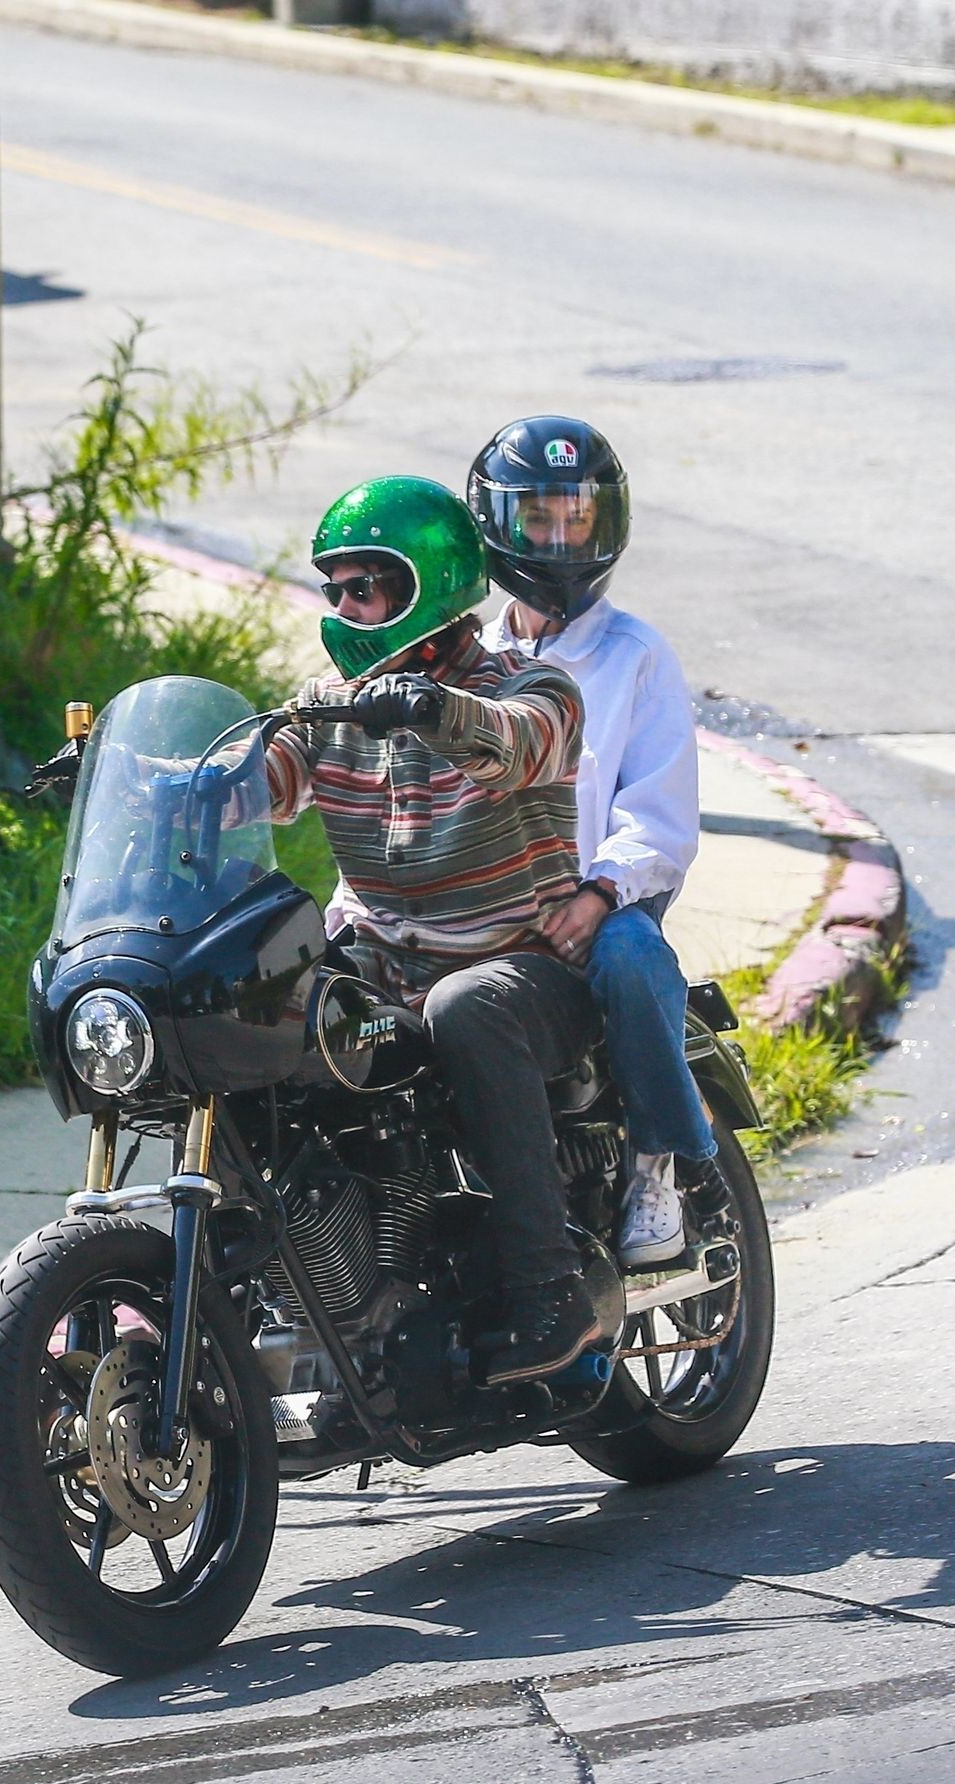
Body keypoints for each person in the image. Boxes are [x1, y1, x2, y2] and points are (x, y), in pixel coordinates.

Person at [263, 474, 624, 1383]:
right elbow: (260, 783)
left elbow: (517, 744)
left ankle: (549, 1290)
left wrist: (432, 709)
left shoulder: (533, 686)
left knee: (466, 1007)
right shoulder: (332, 704)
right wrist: (151, 774)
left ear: (426, 582)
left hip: (524, 971)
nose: (344, 609)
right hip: (386, 965)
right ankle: (297, 1286)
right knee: (258, 1003)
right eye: (334, 589)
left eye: (364, 587)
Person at [468, 415, 730, 1267]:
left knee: (630, 954)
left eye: (576, 519)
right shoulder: (469, 662)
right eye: (539, 518)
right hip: (490, 910)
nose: (559, 540)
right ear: (497, 524)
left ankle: (659, 1163)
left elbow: (658, 816)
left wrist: (598, 892)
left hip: (602, 904)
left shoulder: (636, 655)